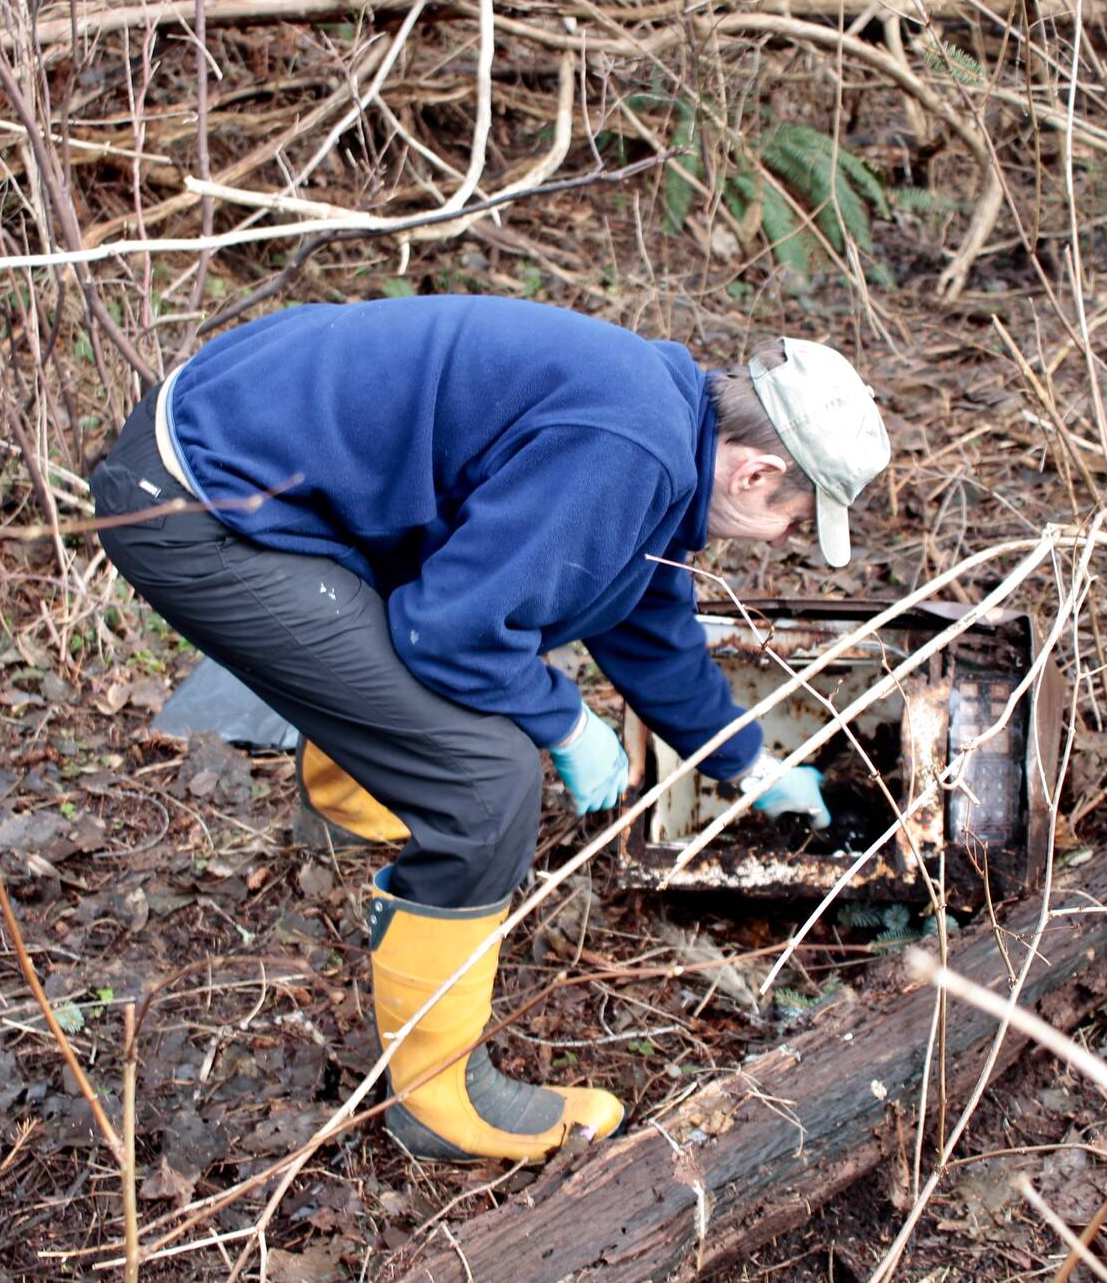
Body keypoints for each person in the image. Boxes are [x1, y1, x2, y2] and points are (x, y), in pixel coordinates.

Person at [90, 295, 890, 1161]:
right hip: (199, 504)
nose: (779, 540)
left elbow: (647, 622)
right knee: (485, 777)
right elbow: (450, 631)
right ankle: (438, 1098)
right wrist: (569, 720)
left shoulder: (660, 425)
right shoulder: (628, 449)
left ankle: (349, 813)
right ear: (759, 475)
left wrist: (746, 761)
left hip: (239, 449)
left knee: (433, 685)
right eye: (795, 522)